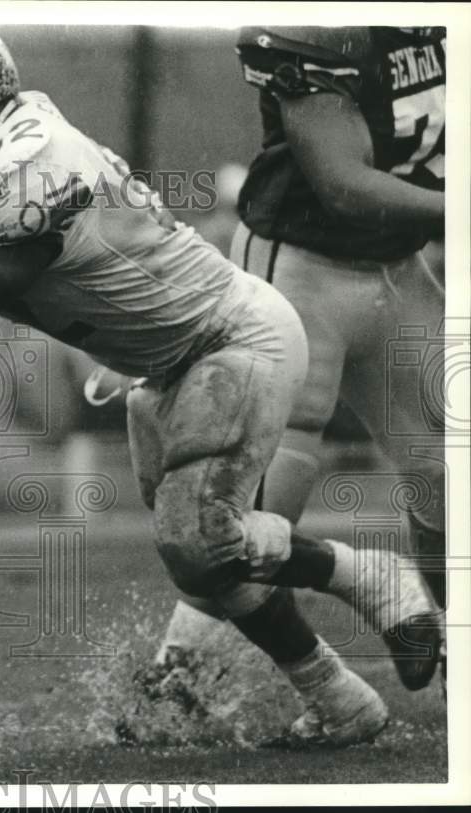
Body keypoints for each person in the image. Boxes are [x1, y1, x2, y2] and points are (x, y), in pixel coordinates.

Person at [0, 24, 443, 747]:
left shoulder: (31, 170)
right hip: (170, 363)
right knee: (210, 558)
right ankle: (336, 696)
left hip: (231, 344)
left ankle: (368, 577)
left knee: (199, 539)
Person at [157, 25, 449, 691]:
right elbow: (343, 182)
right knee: (253, 503)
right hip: (299, 272)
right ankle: (184, 671)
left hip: (398, 271)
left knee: (449, 471)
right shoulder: (328, 29)